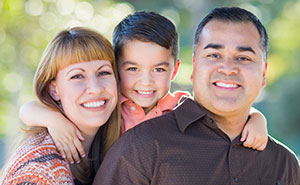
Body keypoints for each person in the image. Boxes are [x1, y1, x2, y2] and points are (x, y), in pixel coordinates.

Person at [89, 7, 300, 185]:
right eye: (214, 54)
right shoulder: (138, 147)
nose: (228, 68)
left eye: (243, 58)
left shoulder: (286, 165)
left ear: (263, 74)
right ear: (194, 67)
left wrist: (257, 117)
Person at [19, 11, 269, 165]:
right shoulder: (108, 107)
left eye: (158, 70)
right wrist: (54, 120)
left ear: (174, 69)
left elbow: (225, 115)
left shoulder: (183, 106)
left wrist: (257, 118)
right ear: (116, 68)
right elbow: (28, 109)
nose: (146, 82)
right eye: (132, 69)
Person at [0, 27, 120, 185]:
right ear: (54, 90)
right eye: (77, 76)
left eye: (104, 73)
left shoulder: (111, 143)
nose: (95, 88)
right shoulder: (39, 173)